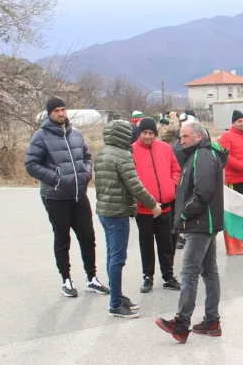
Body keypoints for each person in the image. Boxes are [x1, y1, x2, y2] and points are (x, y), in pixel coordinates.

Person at [25, 96, 108, 297]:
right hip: (55, 197)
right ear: (49, 113)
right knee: (62, 239)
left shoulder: (76, 134)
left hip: (79, 195)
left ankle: (91, 278)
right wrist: (56, 179)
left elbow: (87, 157)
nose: (61, 114)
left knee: (88, 237)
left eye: (63, 109)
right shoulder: (40, 136)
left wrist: (87, 173)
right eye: (57, 111)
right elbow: (31, 165)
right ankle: (66, 280)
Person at [155, 121, 228, 343]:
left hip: (199, 223)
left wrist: (185, 214)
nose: (181, 141)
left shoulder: (202, 156)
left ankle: (181, 323)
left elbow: (202, 192)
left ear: (198, 137)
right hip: (205, 222)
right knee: (209, 270)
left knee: (189, 272)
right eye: (180, 137)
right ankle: (212, 320)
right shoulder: (199, 154)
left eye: (185, 136)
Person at [95, 120, 162, 319]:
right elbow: (135, 186)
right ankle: (115, 304)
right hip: (117, 213)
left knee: (111, 256)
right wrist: (153, 205)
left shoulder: (103, 153)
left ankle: (117, 295)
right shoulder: (123, 156)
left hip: (104, 212)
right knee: (118, 259)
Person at [132, 117, 182, 293]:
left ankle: (168, 276)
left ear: (155, 133)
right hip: (144, 208)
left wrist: (172, 184)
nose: (148, 136)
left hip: (166, 205)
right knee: (146, 243)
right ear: (140, 134)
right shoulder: (132, 151)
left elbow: (176, 170)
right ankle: (148, 276)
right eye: (145, 133)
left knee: (166, 243)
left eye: (151, 133)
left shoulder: (166, 149)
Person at [218, 110, 243, 243]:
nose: (242, 124)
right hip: (234, 178)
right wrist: (242, 166)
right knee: (236, 207)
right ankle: (235, 233)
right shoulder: (226, 137)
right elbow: (226, 157)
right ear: (233, 122)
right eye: (239, 121)